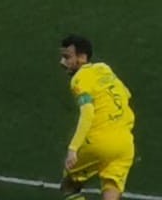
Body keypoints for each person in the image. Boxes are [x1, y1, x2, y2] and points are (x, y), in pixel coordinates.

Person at [59, 35, 135, 200]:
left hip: (99, 142)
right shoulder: (104, 69)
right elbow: (126, 94)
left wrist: (73, 148)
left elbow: (87, 112)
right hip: (124, 144)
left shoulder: (79, 80)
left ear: (82, 57)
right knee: (111, 191)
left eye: (67, 57)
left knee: (69, 185)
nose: (62, 62)